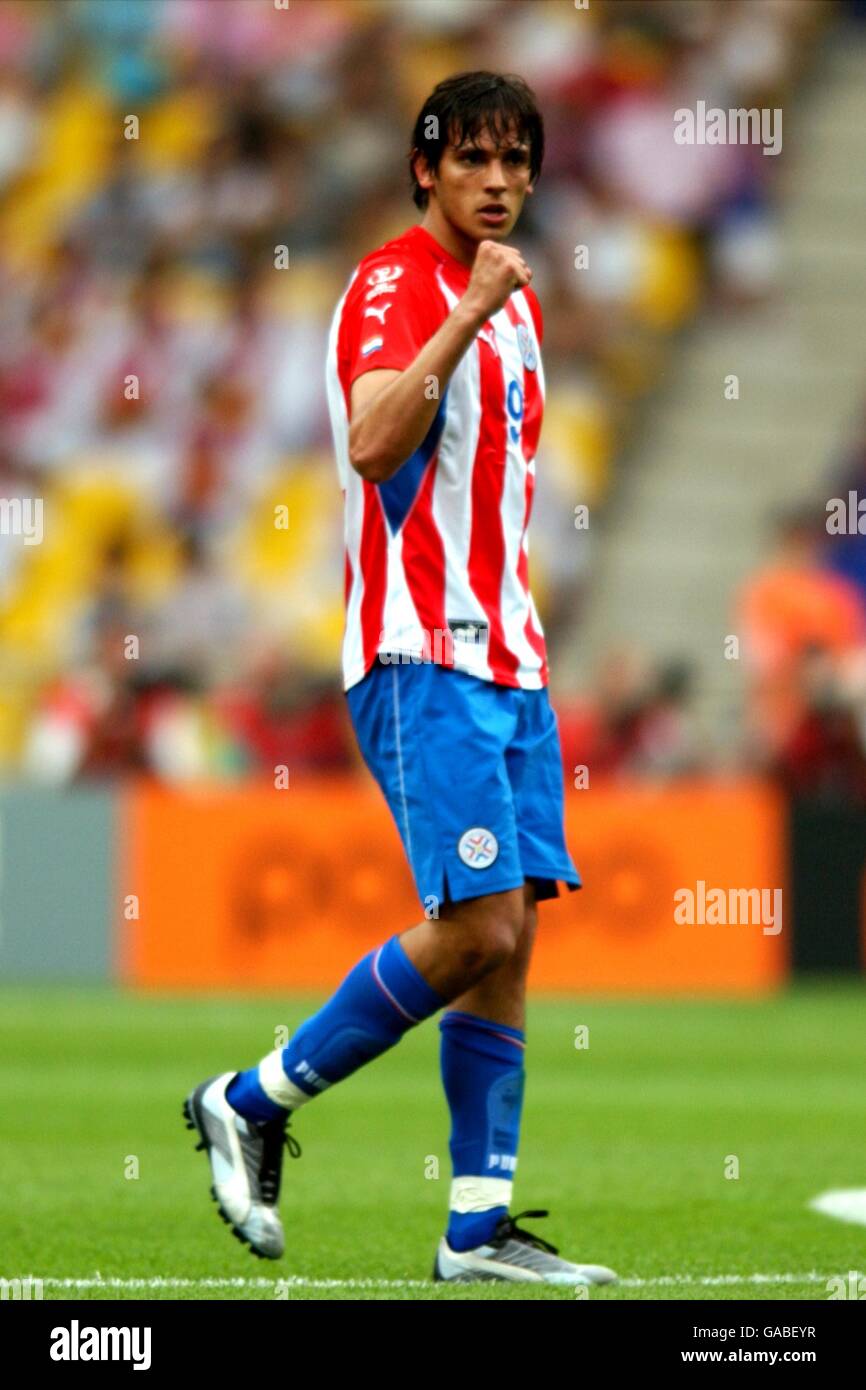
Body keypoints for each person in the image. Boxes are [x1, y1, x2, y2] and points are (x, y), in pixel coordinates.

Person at [184, 70, 616, 1287]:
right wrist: (466, 313)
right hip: (420, 649)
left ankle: (474, 1227)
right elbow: (374, 443)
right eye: (471, 159)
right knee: (471, 924)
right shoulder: (397, 286)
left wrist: (490, 309)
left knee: (509, 935)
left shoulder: (514, 301)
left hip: (508, 653)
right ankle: (251, 1098)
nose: (497, 180)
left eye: (514, 161)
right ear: (422, 168)